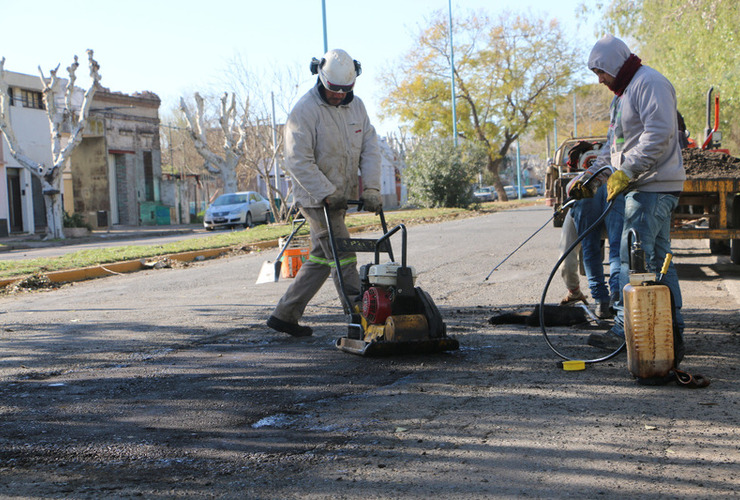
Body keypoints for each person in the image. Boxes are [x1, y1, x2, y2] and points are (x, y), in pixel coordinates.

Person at [569, 35, 686, 353]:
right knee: (660, 260)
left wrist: (627, 172)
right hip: (643, 184)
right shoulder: (621, 97)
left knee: (629, 259)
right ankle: (671, 331)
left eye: (601, 72)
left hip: (654, 186)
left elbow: (659, 134)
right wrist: (591, 177)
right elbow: (613, 146)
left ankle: (625, 328)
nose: (600, 79)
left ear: (613, 64)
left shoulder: (650, 82)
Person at [266, 49, 382, 337]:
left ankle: (285, 314)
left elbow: (370, 149)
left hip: (341, 197)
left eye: (346, 90)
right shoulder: (305, 111)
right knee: (343, 255)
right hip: (315, 198)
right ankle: (360, 317)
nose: (339, 95)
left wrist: (371, 188)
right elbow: (297, 160)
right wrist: (326, 192)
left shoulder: (358, 109)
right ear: (320, 78)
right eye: (334, 90)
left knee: (321, 257)